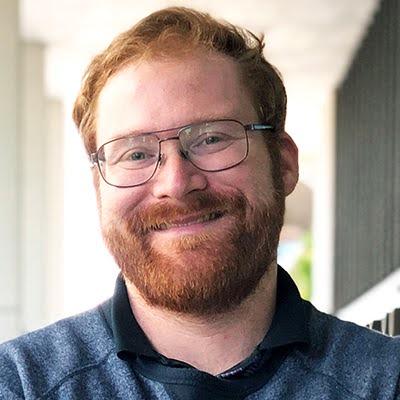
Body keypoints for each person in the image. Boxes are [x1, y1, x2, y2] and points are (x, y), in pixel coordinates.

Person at [0, 6, 399, 400]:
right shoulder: (20, 385)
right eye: (135, 154)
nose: (175, 183)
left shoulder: (386, 380)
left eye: (211, 139)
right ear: (98, 189)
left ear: (284, 163)